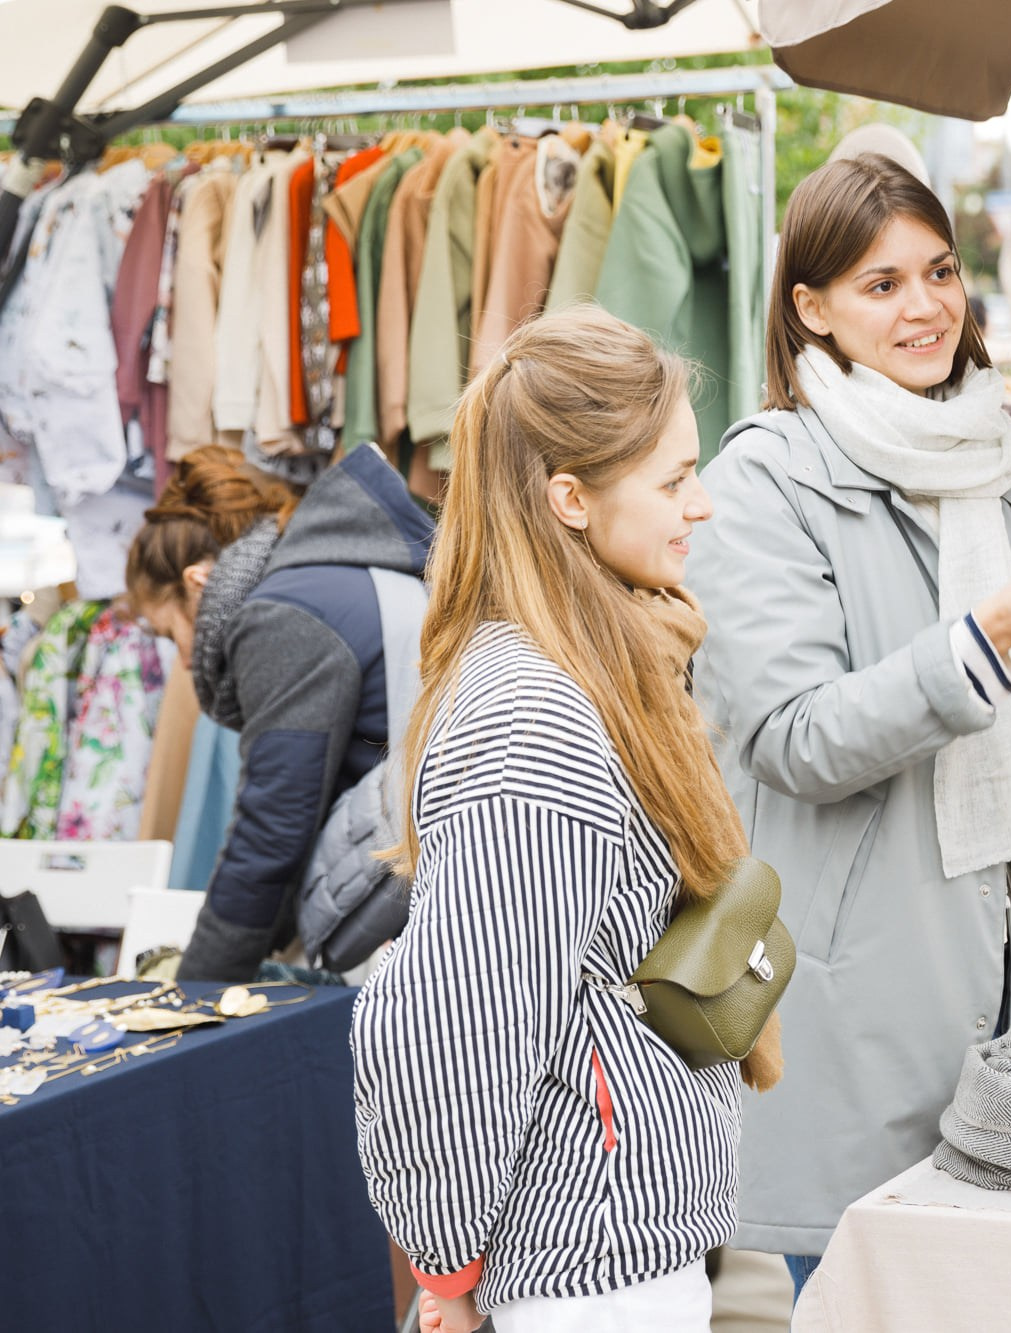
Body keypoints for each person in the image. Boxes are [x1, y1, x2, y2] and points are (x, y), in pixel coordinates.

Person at [687, 153, 1011, 1295]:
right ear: (810, 309)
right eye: (878, 285)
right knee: (865, 1294)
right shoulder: (764, 479)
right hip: (852, 992)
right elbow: (793, 736)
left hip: (1010, 974)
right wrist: (986, 635)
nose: (924, 305)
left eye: (937, 272)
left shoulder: (999, 461)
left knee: (997, 1291)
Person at [351, 307, 771, 1333]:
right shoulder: (535, 712)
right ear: (568, 498)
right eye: (671, 479)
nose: (700, 503)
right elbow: (470, 1024)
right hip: (575, 1256)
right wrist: (448, 1264)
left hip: (595, 1227)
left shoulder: (591, 664)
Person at [126, 443, 433, 982]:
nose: (180, 661)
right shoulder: (339, 575)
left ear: (198, 583)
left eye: (169, 632)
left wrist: (197, 994)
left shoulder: (287, 614)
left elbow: (273, 829)